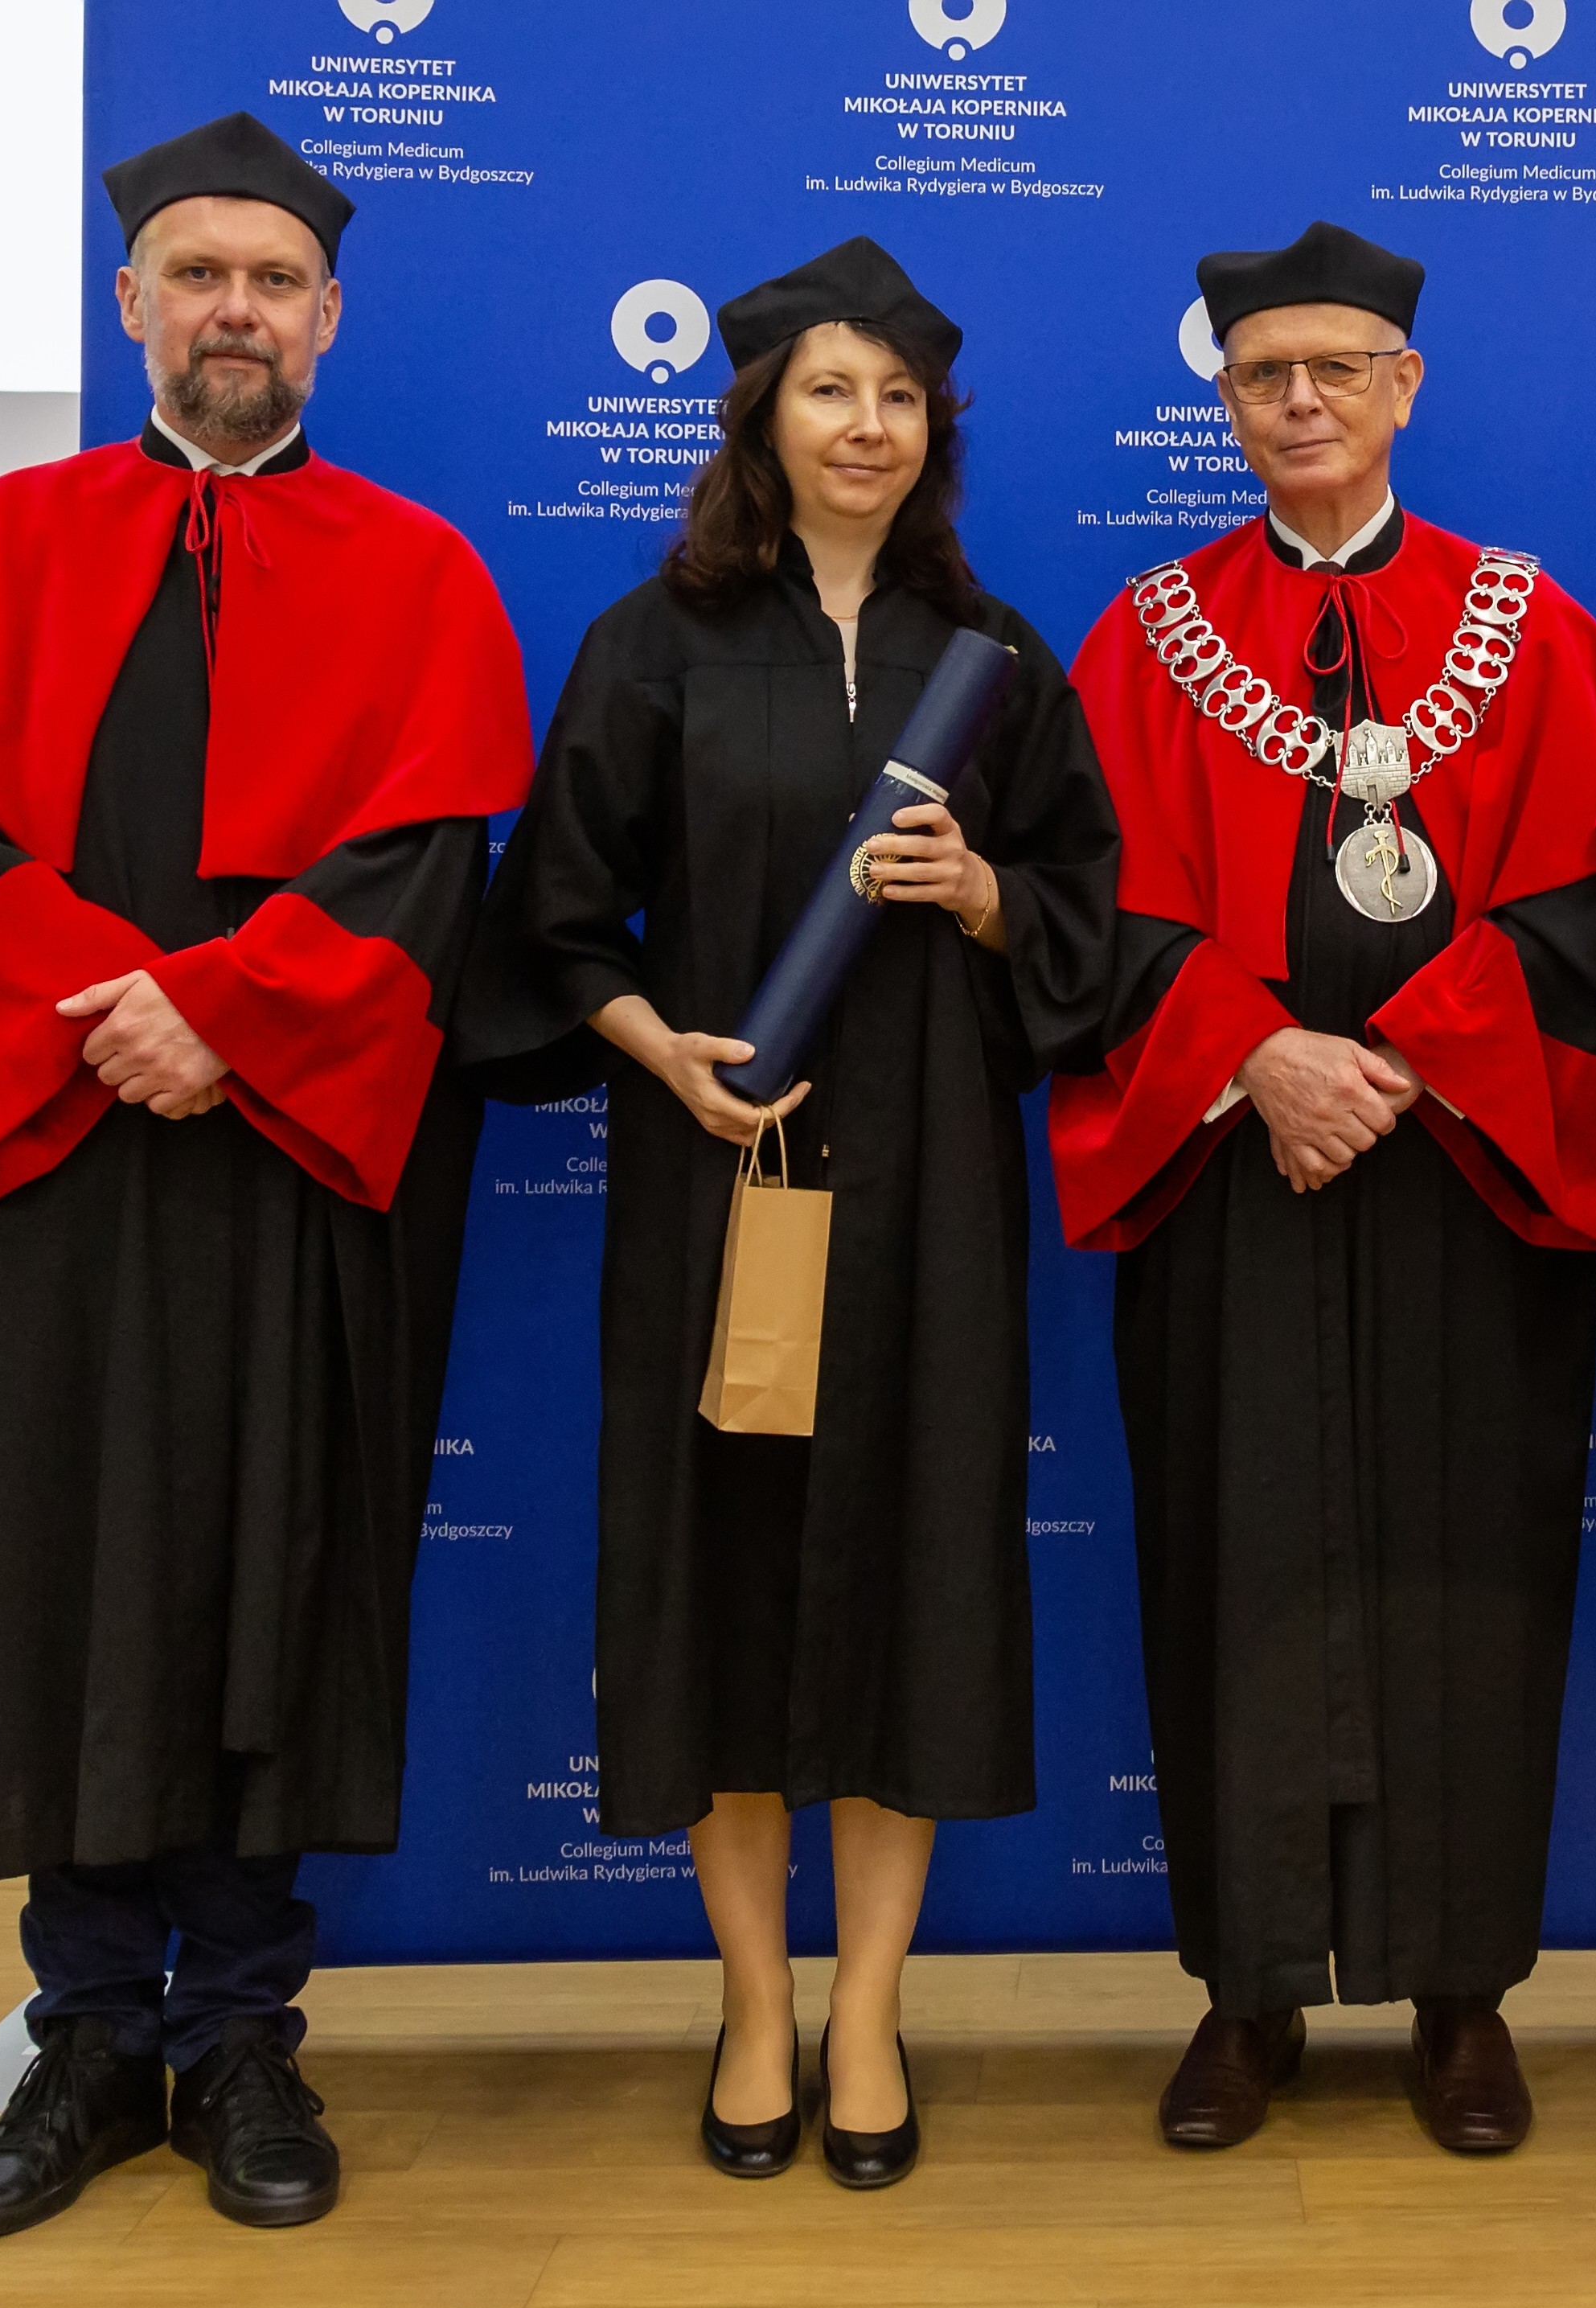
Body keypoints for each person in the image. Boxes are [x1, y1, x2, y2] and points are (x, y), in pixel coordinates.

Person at [0, 112, 531, 2240]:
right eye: (200, 275)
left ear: (330, 318)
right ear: (129, 300)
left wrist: (228, 1015)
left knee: (269, 1566)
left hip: (289, 1158)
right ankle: (84, 2036)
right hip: (52, 1151)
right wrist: (109, 1010)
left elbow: (422, 866)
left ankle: (236, 2033)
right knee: (58, 1563)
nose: (238, 309)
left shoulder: (418, 572)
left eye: (274, 281)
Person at [456, 237, 1118, 2190]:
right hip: (717, 1181)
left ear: (935, 433)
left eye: (900, 397)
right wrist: (660, 1054)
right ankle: (754, 2003)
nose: (867, 426)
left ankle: (875, 2008)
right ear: (761, 417)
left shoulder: (994, 658)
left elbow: (1091, 918)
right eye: (832, 390)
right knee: (723, 1586)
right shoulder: (652, 642)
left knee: (913, 1575)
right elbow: (551, 919)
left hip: (927, 1197)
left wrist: (982, 896)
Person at [1048, 221, 1596, 2155]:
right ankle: (1248, 1989)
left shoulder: (1530, 627)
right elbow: (1088, 909)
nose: (1299, 399)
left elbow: (1591, 905)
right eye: (1263, 374)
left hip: (1466, 1167)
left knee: (1471, 1570)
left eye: (1337, 368)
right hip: (1231, 1164)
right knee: (1238, 1563)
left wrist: (1401, 1058)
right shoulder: (1145, 635)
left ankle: (1464, 1995)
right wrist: (1260, 1057)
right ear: (1223, 399)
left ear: (1405, 386)